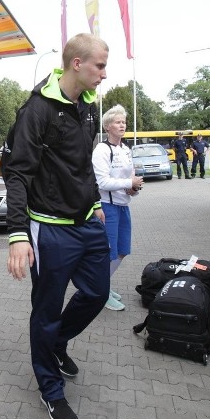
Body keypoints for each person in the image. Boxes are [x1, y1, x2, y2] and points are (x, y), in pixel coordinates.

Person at [4, 33, 110, 419]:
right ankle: (50, 388)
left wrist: (96, 203)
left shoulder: (87, 108)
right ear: (77, 64)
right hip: (49, 230)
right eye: (100, 65)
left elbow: (82, 166)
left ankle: (56, 344)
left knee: (97, 293)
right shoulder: (38, 109)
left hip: (87, 225)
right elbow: (17, 173)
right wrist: (17, 235)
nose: (104, 73)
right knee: (46, 312)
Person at [92, 105, 143, 311]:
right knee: (109, 253)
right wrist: (128, 183)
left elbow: (130, 179)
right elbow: (102, 182)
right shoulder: (102, 150)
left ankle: (103, 286)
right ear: (107, 126)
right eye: (117, 122)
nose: (122, 125)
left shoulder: (126, 149)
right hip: (107, 207)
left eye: (123, 122)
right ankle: (99, 293)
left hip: (123, 206)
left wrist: (134, 189)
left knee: (122, 250)